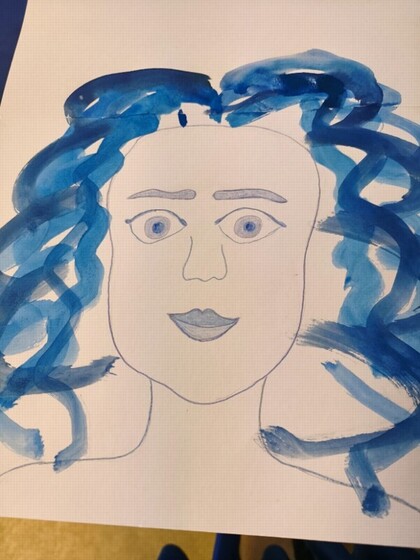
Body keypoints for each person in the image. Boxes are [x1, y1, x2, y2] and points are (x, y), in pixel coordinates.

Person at [0, 50, 419, 526]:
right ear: (97, 250)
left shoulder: (348, 519)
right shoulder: (24, 500)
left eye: (249, 225)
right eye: (157, 225)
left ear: (319, 250)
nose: (203, 269)